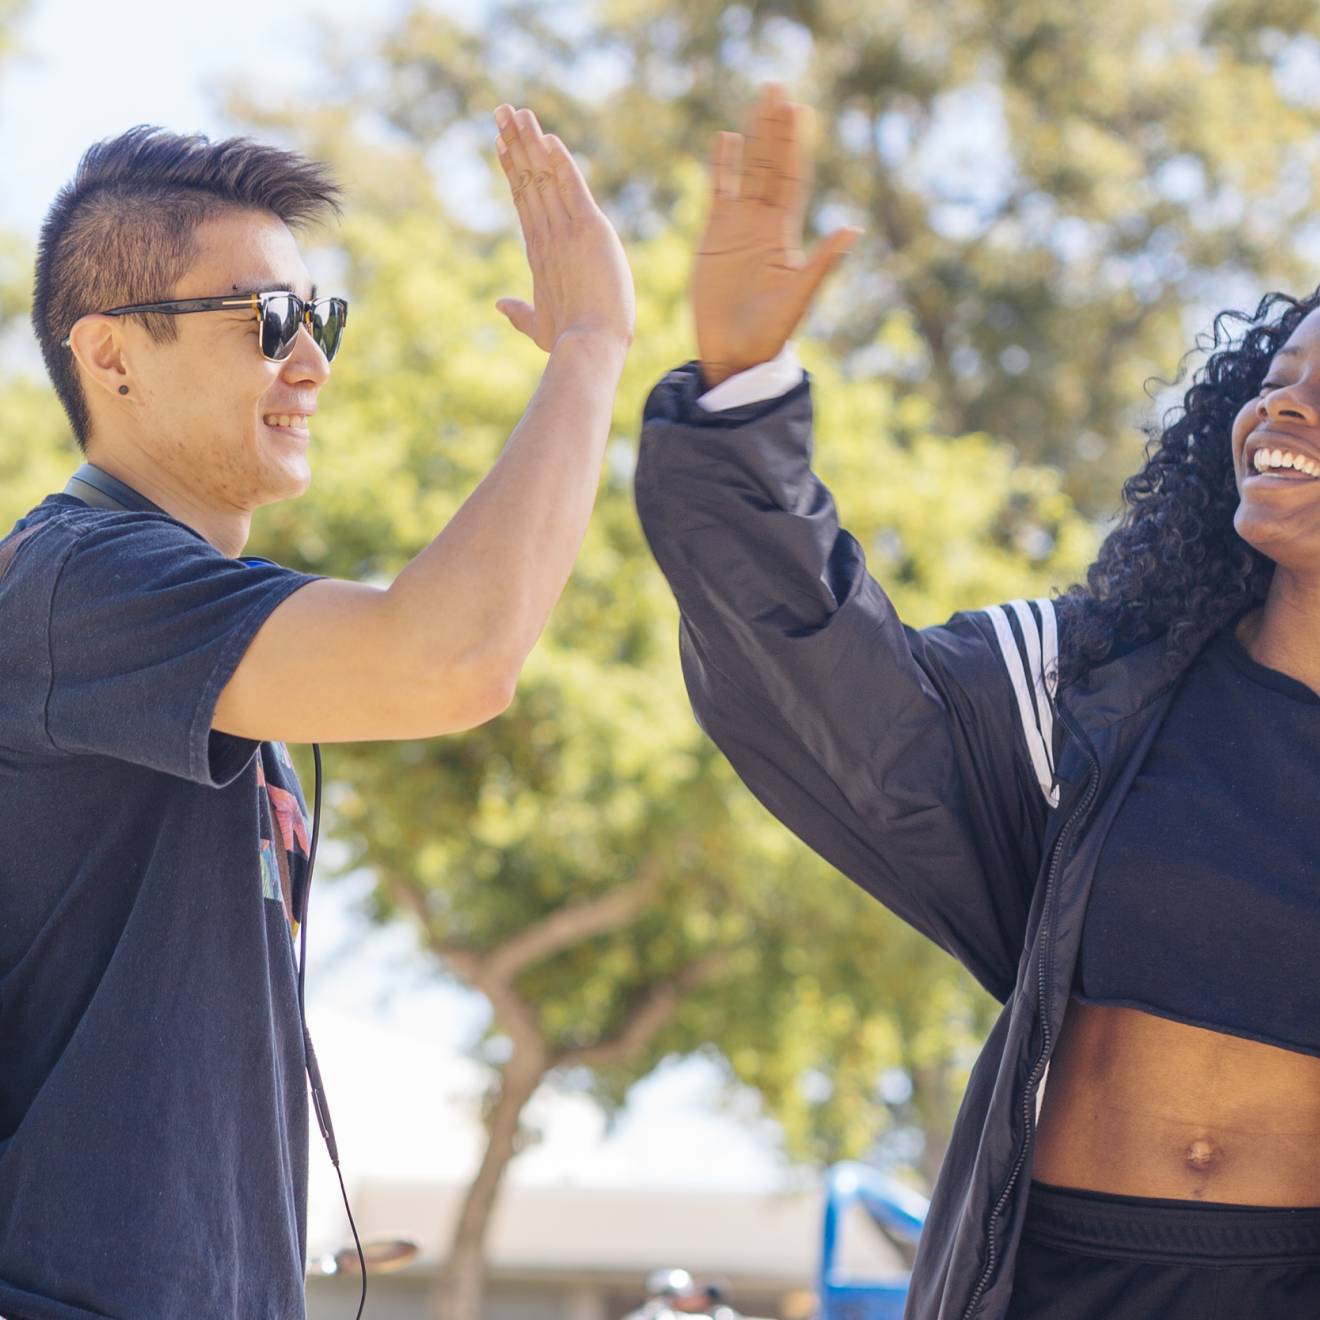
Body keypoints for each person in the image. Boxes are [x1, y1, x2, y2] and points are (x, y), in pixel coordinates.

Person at [635, 83, 1320, 1320]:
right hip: (1047, 1278)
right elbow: (835, 691)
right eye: (1277, 378)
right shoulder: (1097, 684)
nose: (1286, 405)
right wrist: (743, 394)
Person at [0, 108, 633, 1320]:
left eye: (319, 317)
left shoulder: (186, 626)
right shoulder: (72, 584)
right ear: (112, 356)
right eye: (266, 321)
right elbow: (449, 658)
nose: (314, 364)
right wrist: (591, 348)